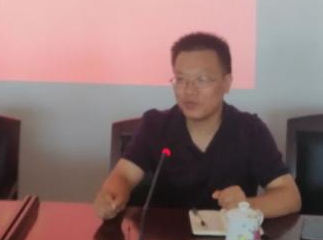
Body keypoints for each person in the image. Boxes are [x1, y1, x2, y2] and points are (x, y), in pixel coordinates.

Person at [93, 32, 301, 220]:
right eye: (180, 79)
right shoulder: (155, 125)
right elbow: (124, 175)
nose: (189, 90)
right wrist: (111, 196)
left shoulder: (249, 130)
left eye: (202, 80)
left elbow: (290, 196)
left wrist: (246, 206)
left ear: (227, 83)